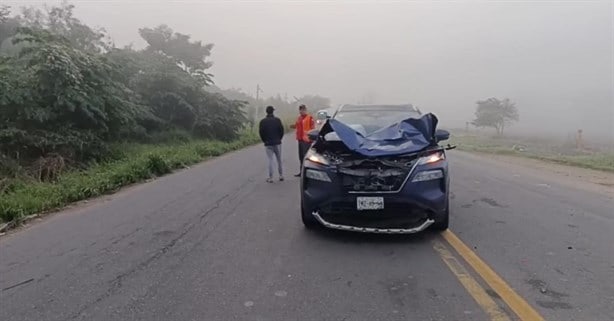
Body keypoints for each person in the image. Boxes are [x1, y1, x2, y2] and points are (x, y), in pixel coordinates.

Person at [259, 105, 285, 183]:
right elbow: (281, 131)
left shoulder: (263, 121)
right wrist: (279, 139)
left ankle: (271, 177)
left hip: (268, 143)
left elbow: (261, 133)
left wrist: (264, 141)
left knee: (270, 160)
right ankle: (281, 175)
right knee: (279, 159)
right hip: (277, 142)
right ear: (273, 111)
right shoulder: (277, 120)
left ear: (266, 112)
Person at [290, 104, 315, 177]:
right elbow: (297, 125)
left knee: (306, 157)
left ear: (305, 110)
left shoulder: (309, 118)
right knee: (301, 157)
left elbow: (313, 128)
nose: (301, 111)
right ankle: (301, 172)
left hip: (306, 140)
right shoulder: (299, 118)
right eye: (300, 110)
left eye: (303, 110)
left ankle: (307, 173)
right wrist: (293, 126)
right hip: (300, 140)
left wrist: (311, 137)